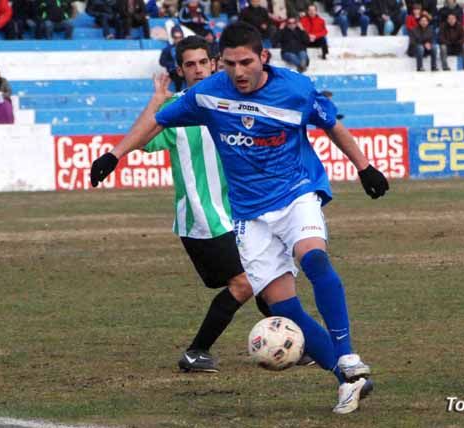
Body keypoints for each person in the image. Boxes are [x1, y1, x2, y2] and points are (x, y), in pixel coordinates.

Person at [90, 21, 389, 415]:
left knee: (313, 257)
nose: (238, 72)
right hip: (249, 213)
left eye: (246, 62)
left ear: (263, 57)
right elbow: (158, 120)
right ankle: (348, 380)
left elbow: (331, 125)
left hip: (296, 192)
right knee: (284, 307)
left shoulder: (295, 89)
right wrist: (115, 155)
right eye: (230, 64)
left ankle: (347, 354)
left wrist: (364, 167)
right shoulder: (208, 94)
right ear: (222, 63)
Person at [143, 35, 276, 372]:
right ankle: (195, 351)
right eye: (190, 64)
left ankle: (291, 338)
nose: (199, 70)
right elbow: (142, 142)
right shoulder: (174, 111)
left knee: (265, 276)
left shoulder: (231, 103)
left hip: (240, 212)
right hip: (202, 218)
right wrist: (156, 101)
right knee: (245, 283)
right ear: (180, 70)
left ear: (214, 63)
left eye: (203, 62)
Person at [159, 27, 185, 91]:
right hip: (173, 71)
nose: (178, 40)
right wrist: (172, 65)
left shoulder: (186, 48)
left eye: (180, 37)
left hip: (184, 69)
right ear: (173, 38)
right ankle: (178, 93)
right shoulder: (168, 49)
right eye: (176, 37)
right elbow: (162, 61)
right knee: (177, 75)